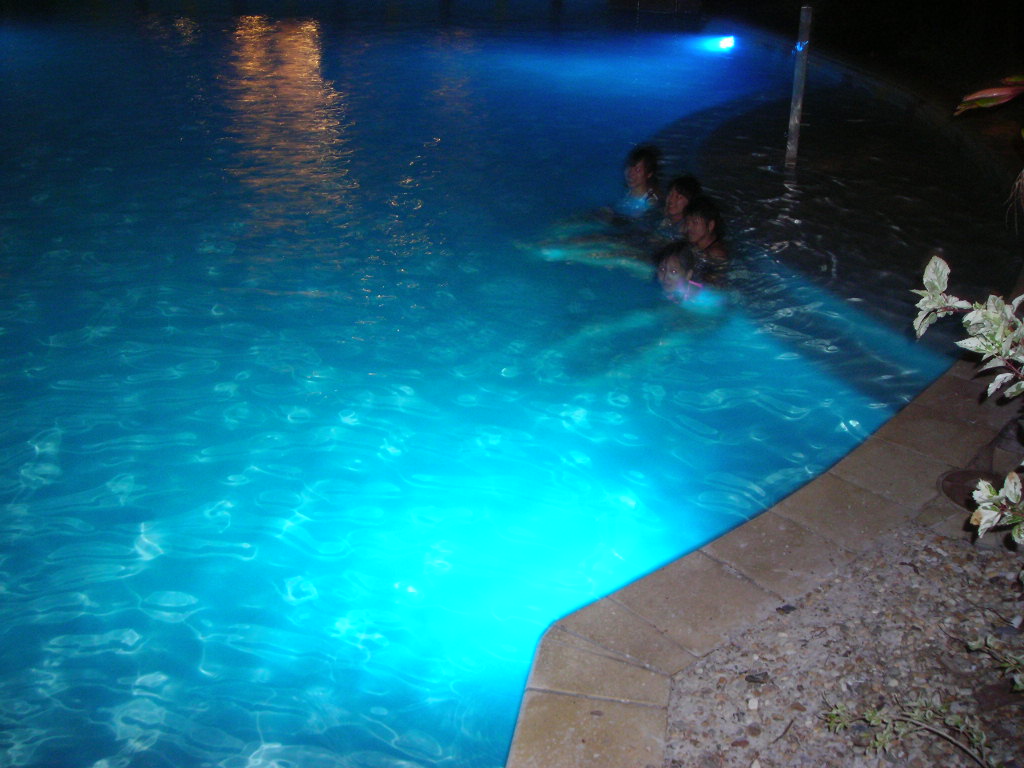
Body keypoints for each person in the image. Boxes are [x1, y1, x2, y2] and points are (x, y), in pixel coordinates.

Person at [683, 195, 728, 286]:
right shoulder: (695, 245)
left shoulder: (716, 254)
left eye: (695, 223)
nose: (689, 227)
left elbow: (716, 285)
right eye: (687, 222)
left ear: (710, 225)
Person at [613, 144, 661, 220]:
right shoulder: (624, 193)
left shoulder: (650, 203)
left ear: (649, 174)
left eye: (637, 170)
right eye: (629, 167)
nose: (630, 173)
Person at [657, 175, 702, 239]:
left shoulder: (687, 230)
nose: (671, 200)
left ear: (690, 202)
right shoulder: (659, 215)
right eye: (670, 194)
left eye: (679, 197)